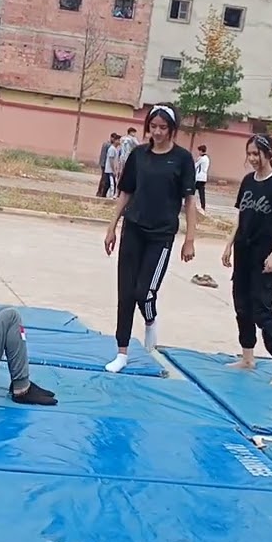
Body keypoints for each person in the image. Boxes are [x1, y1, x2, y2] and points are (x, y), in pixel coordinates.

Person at [103, 103, 197, 372]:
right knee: (125, 292)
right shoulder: (139, 155)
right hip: (133, 228)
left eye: (162, 127)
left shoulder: (182, 159)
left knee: (144, 292)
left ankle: (150, 321)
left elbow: (189, 201)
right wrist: (112, 227)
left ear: (172, 129)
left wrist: (189, 238)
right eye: (153, 127)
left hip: (161, 234)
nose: (157, 132)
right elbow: (125, 193)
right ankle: (122, 352)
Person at [221, 134, 272, 386]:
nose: (252, 159)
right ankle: (247, 357)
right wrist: (230, 243)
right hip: (243, 253)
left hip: (264, 258)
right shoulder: (247, 182)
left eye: (256, 154)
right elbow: (240, 216)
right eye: (249, 154)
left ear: (268, 153)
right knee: (242, 306)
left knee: (262, 310)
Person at [96, 133, 120, 198]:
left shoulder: (113, 147)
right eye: (118, 140)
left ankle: (102, 193)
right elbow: (110, 159)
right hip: (107, 166)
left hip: (106, 165)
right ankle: (103, 193)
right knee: (107, 181)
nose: (120, 142)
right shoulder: (109, 146)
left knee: (107, 181)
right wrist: (113, 169)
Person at [194, 145, 210, 212]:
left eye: (199, 151)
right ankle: (203, 206)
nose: (198, 152)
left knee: (191, 190)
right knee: (201, 193)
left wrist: (197, 159)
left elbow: (195, 166)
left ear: (201, 151)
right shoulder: (207, 158)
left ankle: (188, 203)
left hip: (199, 178)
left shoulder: (202, 158)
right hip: (204, 178)